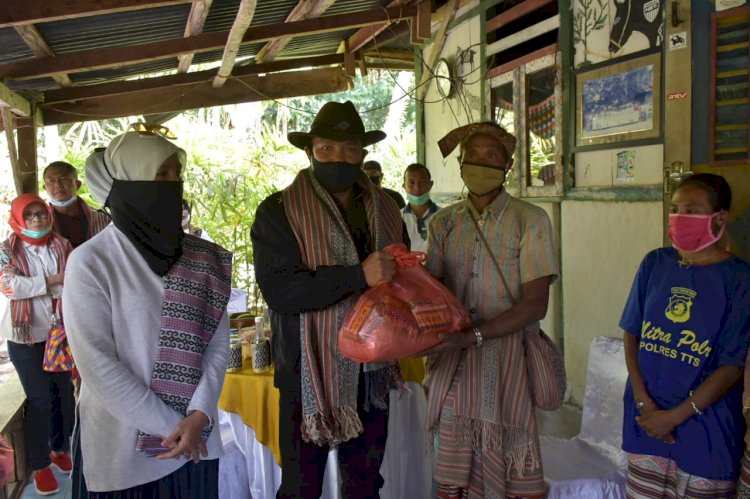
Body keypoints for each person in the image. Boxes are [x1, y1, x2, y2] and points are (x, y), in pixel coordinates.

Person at [63, 128, 232, 497]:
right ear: (129, 183)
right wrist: (174, 427)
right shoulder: (92, 263)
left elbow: (218, 345)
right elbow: (98, 365)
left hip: (194, 441)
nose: (173, 184)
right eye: (160, 175)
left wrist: (200, 414)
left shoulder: (201, 258)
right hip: (126, 451)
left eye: (176, 173)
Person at [251, 100, 408, 498]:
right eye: (327, 149)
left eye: (350, 150)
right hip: (308, 373)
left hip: (371, 371)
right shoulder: (278, 211)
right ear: (309, 152)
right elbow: (281, 290)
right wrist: (358, 276)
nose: (339, 158)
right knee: (301, 487)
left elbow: (400, 274)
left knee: (365, 484)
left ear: (363, 154)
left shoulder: (386, 208)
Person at [422, 122, 559, 498]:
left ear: (508, 166)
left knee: (511, 460)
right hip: (455, 363)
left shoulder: (531, 220)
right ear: (461, 164)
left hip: (508, 359)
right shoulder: (444, 222)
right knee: (453, 471)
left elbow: (536, 304)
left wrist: (475, 335)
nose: (481, 164)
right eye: (473, 157)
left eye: (492, 157)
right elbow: (431, 294)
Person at [620, 173, 750, 498]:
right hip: (646, 418)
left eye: (692, 210)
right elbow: (632, 334)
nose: (679, 217)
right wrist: (643, 402)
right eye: (675, 208)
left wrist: (675, 417)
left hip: (708, 428)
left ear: (719, 218)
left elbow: (731, 366)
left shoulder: (739, 278)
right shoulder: (655, 263)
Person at [0, 194, 74, 496]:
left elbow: (74, 281)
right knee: (40, 399)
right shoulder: (6, 250)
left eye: (40, 213)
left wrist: (34, 285)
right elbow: (9, 287)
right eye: (28, 215)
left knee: (63, 395)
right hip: (25, 337)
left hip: (58, 334)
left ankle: (59, 448)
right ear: (18, 217)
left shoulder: (62, 245)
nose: (35, 220)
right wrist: (54, 279)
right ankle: (40, 465)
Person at [43, 160, 110, 248]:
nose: (57, 185)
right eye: (51, 180)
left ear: (77, 184)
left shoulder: (103, 219)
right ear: (45, 188)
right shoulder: (41, 223)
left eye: (63, 179)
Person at [401, 162, 440, 253]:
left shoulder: (445, 216)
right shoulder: (397, 218)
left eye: (422, 182)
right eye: (411, 182)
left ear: (430, 184)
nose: (417, 188)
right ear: (404, 186)